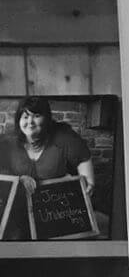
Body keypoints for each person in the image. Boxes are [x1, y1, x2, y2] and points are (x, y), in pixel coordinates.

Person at [0, 96, 96, 239]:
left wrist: (89, 182)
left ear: (46, 118)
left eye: (36, 116)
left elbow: (83, 157)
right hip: (18, 213)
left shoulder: (64, 137)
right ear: (18, 120)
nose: (30, 122)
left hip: (56, 212)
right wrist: (18, 179)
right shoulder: (8, 142)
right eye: (25, 117)